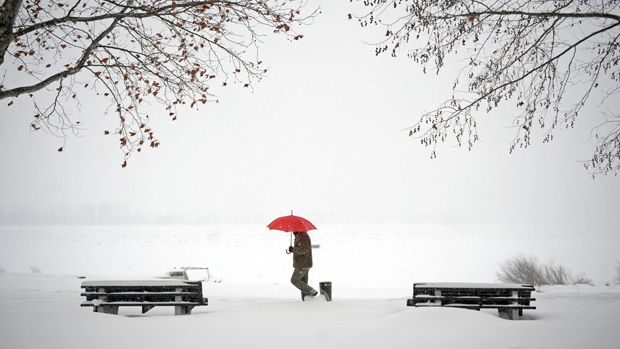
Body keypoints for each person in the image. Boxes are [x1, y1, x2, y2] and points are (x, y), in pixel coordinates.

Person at [288, 231, 318, 301]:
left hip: (303, 264)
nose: (292, 230)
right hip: (304, 263)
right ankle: (306, 300)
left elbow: (304, 250)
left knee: (295, 280)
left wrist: (294, 249)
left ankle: (311, 291)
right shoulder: (299, 235)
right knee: (303, 283)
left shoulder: (302, 235)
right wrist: (293, 250)